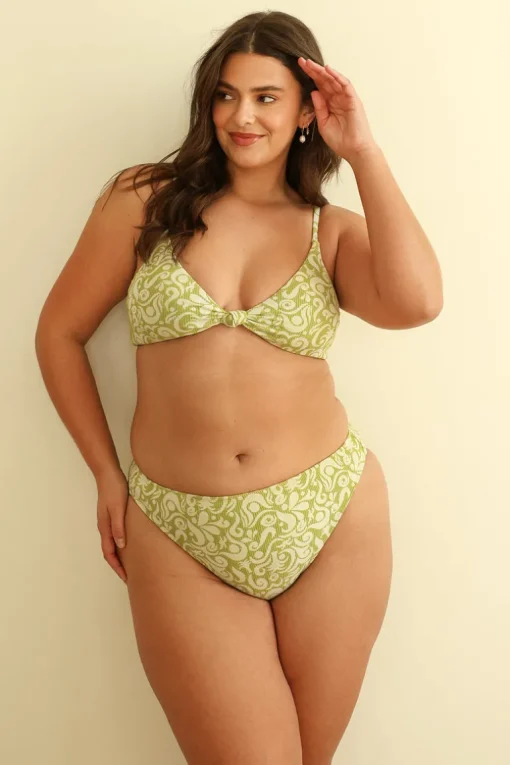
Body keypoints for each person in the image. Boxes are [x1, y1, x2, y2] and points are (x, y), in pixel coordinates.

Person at [35, 10, 443, 765]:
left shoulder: (329, 230)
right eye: (225, 95)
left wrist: (365, 152)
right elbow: (58, 334)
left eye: (265, 97)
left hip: (329, 517)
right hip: (177, 528)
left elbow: (418, 302)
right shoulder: (145, 201)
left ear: (306, 113)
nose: (241, 116)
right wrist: (105, 474)